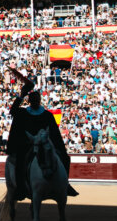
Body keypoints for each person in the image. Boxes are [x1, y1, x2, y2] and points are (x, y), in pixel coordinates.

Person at [5, 73, 77, 201]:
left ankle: (64, 184)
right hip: (28, 145)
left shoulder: (45, 115)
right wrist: (21, 94)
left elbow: (54, 134)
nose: (35, 102)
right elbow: (13, 111)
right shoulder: (28, 113)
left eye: (36, 100)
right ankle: (21, 189)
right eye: (33, 100)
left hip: (44, 144)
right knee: (20, 160)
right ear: (30, 101)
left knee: (65, 157)